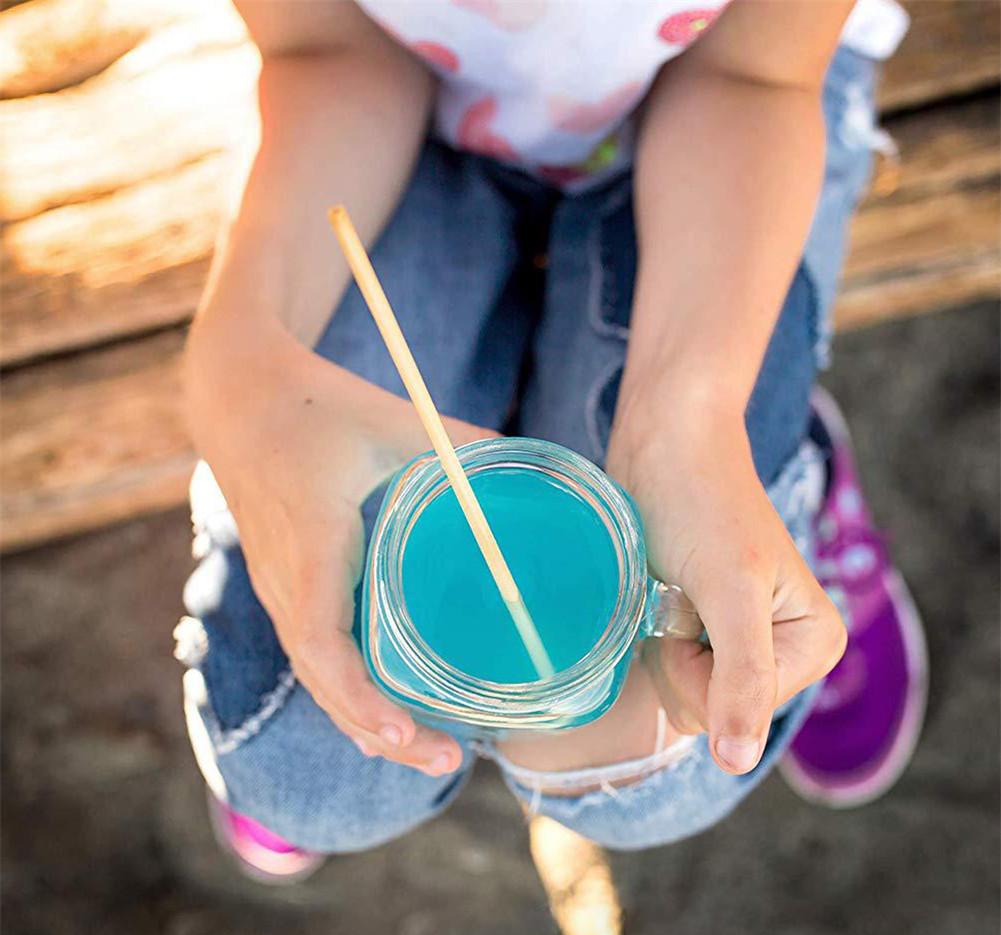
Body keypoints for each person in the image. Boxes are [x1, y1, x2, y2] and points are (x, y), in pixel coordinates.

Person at [174, 0, 928, 882]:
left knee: (641, 772)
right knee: (312, 769)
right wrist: (240, 366)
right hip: (403, 106)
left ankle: (779, 455)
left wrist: (689, 419)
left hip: (724, 106)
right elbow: (322, 49)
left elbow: (752, 74)